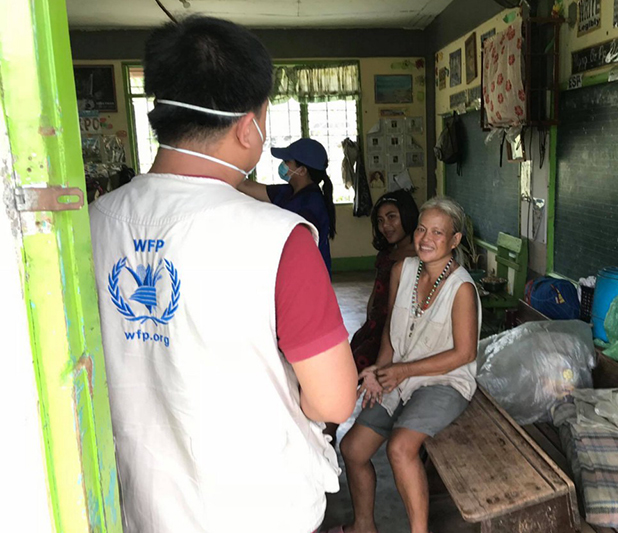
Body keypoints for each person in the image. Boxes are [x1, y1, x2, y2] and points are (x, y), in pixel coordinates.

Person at [88, 16, 357, 533]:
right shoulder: (281, 239)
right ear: (248, 124)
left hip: (141, 505)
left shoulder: (91, 225)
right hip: (260, 508)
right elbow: (334, 398)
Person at [339, 197, 482, 533]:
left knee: (401, 448)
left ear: (454, 240)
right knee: (353, 449)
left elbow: (465, 354)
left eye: (437, 232)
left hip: (443, 381)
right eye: (421, 228)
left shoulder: (461, 288)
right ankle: (363, 526)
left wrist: (402, 371)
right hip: (401, 377)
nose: (425, 238)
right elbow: (392, 328)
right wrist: (378, 371)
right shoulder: (402, 270)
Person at [238, 138, 336, 276]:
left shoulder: (310, 205)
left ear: (302, 170)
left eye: (287, 162)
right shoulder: (288, 192)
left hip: (308, 278)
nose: (283, 165)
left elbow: (301, 251)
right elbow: (246, 186)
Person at [351, 190, 419, 373]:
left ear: (408, 216)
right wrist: (369, 325)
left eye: (391, 217)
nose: (385, 226)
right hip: (375, 329)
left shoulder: (420, 257)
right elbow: (376, 293)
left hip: (396, 333)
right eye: (380, 221)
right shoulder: (387, 254)